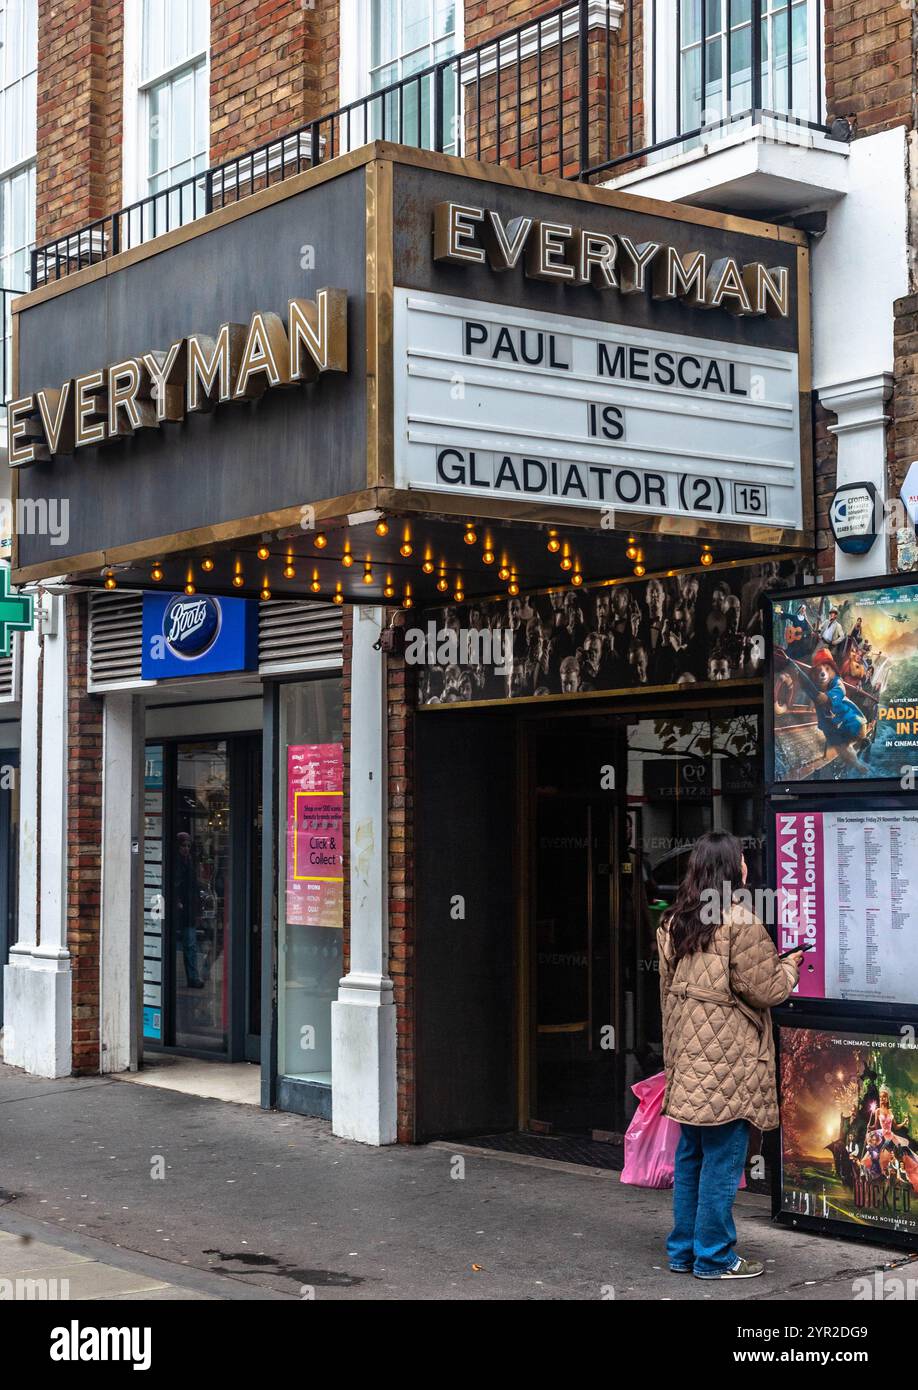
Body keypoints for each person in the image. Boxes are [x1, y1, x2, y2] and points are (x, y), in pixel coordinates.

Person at [657, 831, 802, 1279]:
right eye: (741, 859)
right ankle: (715, 1256)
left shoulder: (672, 922)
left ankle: (683, 1250)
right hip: (728, 1064)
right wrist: (791, 964)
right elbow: (767, 990)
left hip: (688, 1060)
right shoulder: (741, 921)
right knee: (722, 1160)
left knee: (691, 1156)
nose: (746, 866)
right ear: (729, 868)